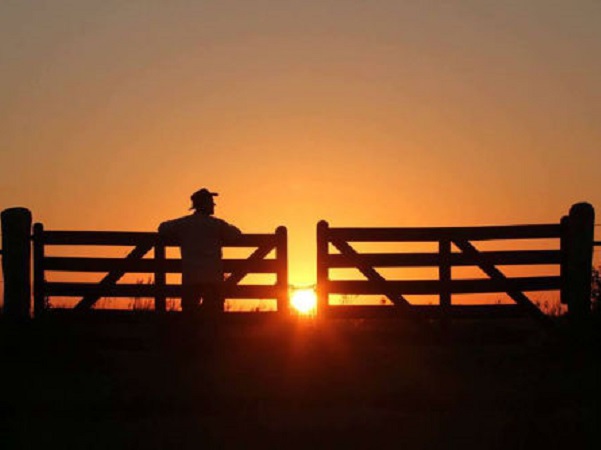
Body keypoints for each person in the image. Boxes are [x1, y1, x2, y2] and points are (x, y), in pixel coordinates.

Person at [158, 188, 241, 314]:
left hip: (191, 278)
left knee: (190, 315)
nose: (214, 205)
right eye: (211, 202)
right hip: (213, 280)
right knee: (213, 316)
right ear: (204, 204)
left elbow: (162, 228)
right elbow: (235, 234)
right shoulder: (217, 225)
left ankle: (192, 333)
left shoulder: (184, 224)